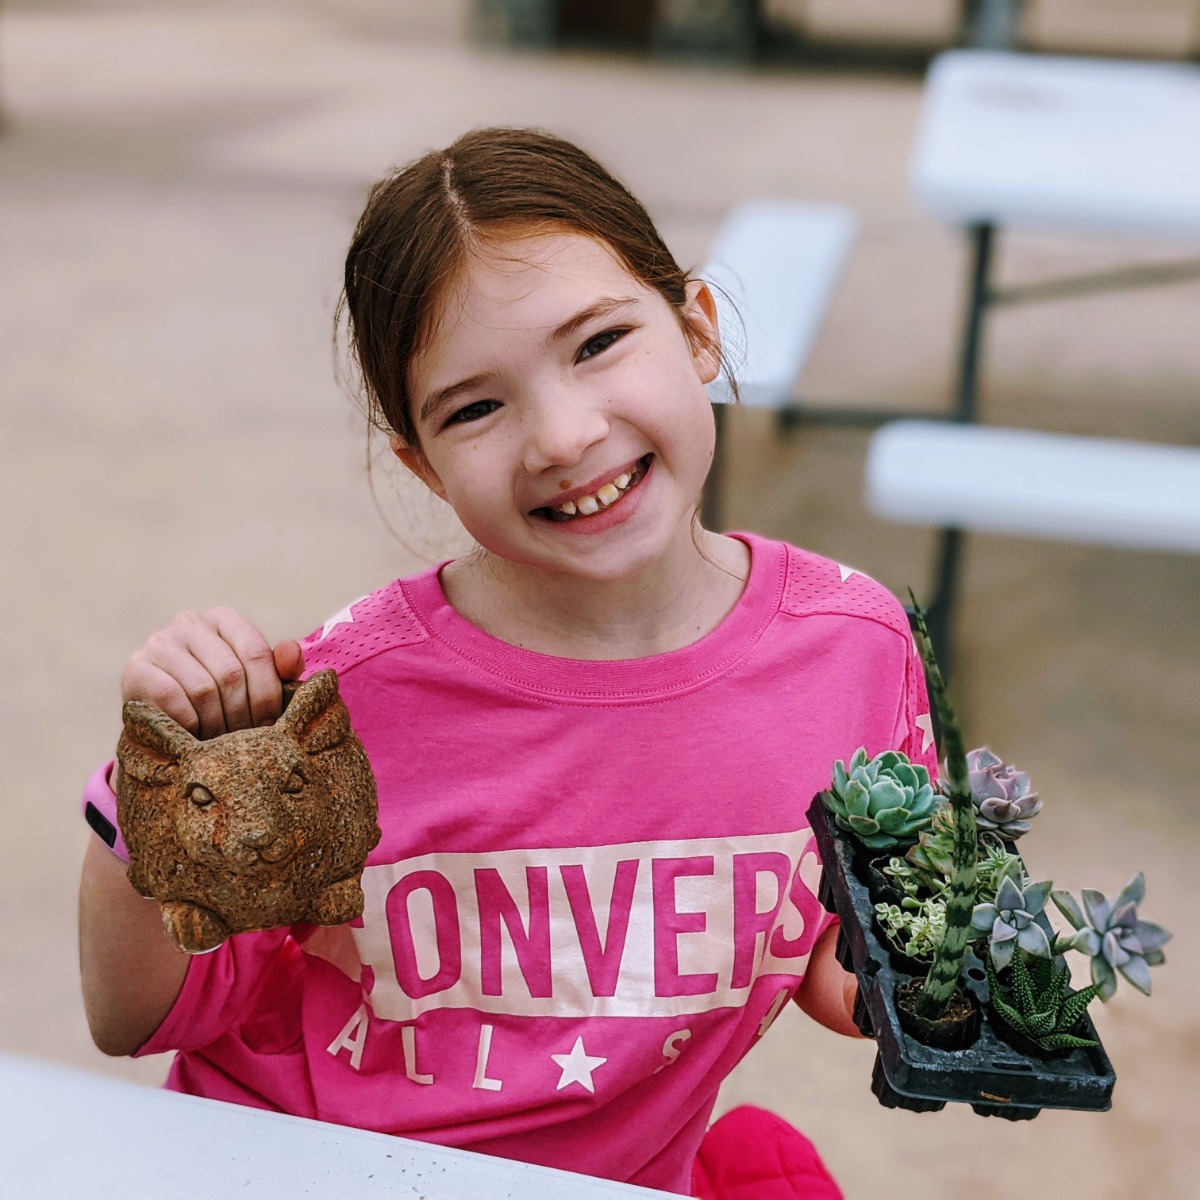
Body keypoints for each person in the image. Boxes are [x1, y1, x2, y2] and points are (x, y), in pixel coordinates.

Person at [78, 128, 937, 1196]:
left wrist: (928, 986)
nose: (564, 435)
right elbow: (132, 1015)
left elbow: (832, 941)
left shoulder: (855, 649)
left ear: (698, 330)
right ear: (423, 467)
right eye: (475, 407)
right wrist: (160, 779)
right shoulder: (340, 707)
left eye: (598, 343)